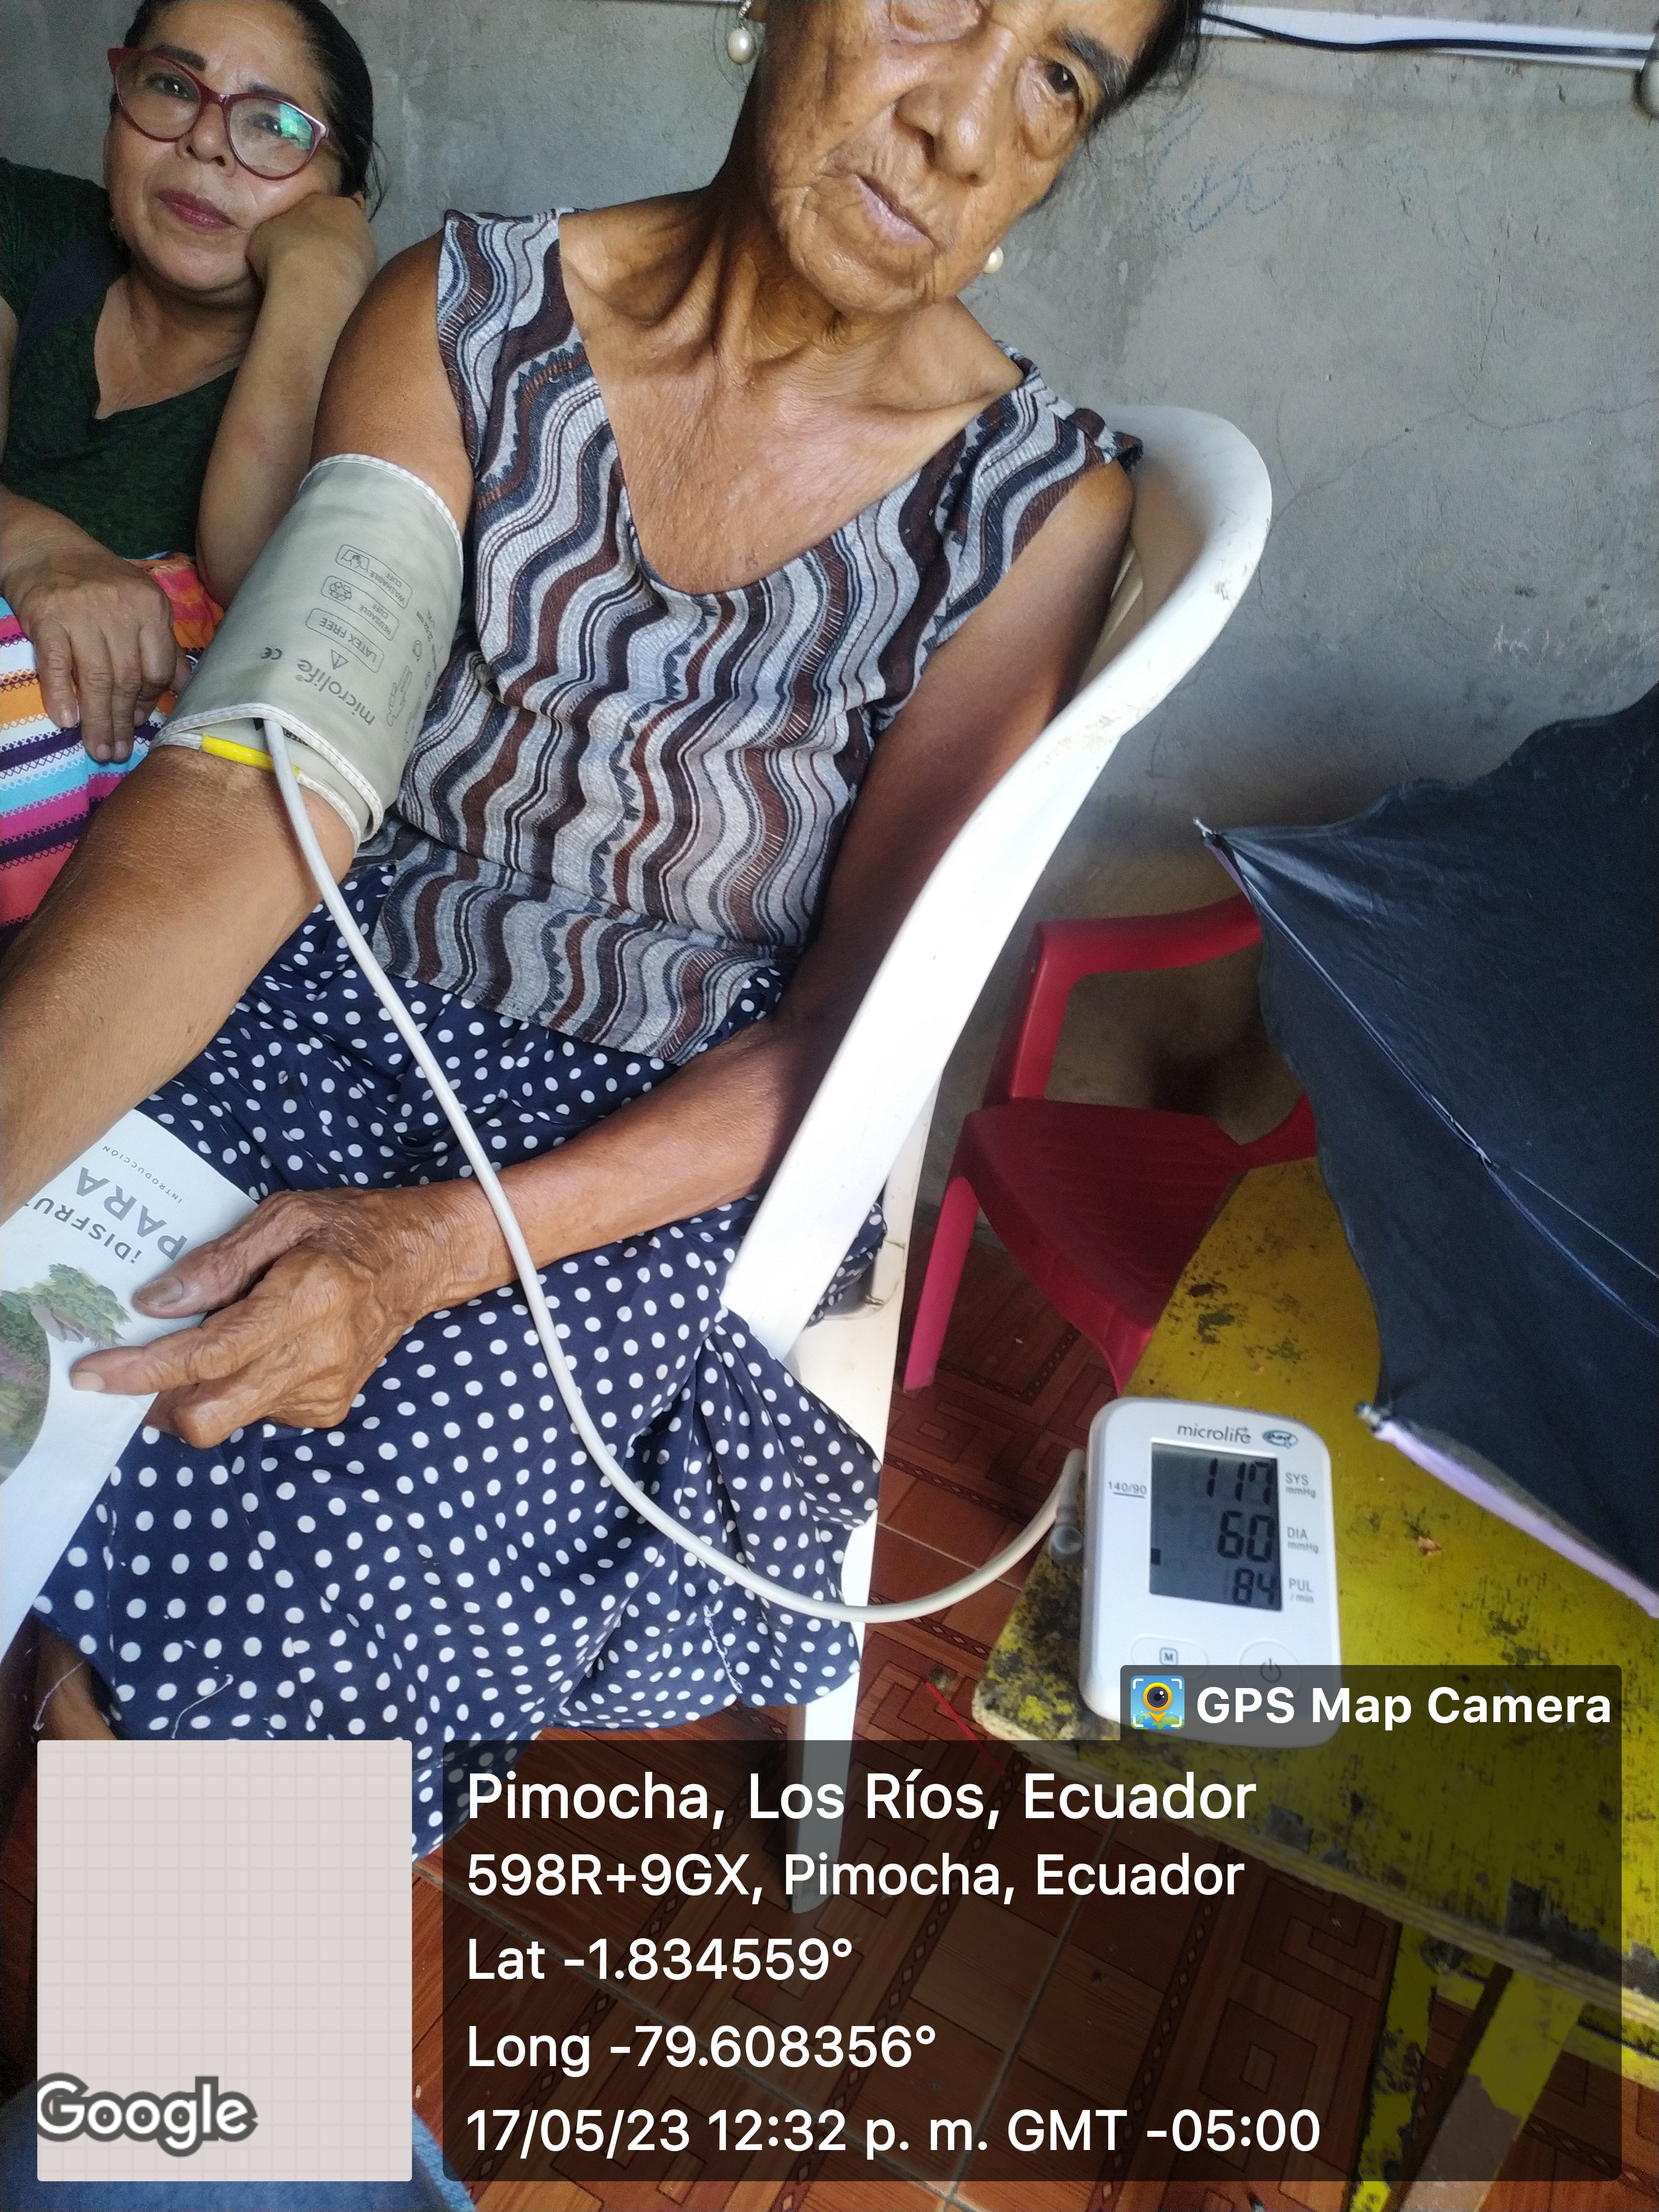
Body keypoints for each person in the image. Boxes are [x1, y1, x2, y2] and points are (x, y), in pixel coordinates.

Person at [1, 0, 1200, 1853]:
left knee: (313, 1582)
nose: (966, 127)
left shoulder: (1027, 508)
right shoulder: (462, 318)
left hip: (655, 1127)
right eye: (933, 6)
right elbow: (264, 782)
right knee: (55, 1379)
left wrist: (424, 1252)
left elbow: (848, 1029)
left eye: (1056, 79)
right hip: (339, 986)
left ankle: (198, 2013)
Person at [0, 0, 380, 939]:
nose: (207, 142)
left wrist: (320, 279)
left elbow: (259, 584)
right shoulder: (28, 227)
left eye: (275, 124)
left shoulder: (377, 371)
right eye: (172, 86)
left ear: (341, 195)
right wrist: (33, 543)